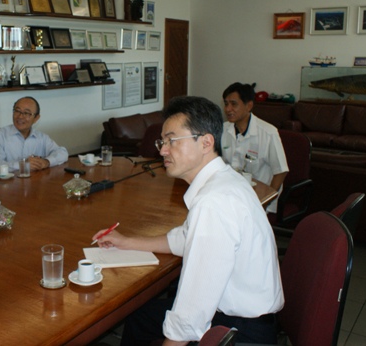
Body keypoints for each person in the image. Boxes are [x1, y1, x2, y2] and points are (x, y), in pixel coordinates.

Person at [93, 96, 284, 345]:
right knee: (141, 317)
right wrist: (126, 242)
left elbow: (192, 311)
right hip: (248, 318)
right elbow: (184, 239)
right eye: (162, 141)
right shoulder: (225, 180)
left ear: (206, 142)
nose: (162, 150)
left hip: (240, 332)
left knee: (154, 319)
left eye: (172, 140)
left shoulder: (213, 202)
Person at [221, 82, 288, 213]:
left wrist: (265, 202)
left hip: (258, 198)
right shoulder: (223, 129)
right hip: (231, 193)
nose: (228, 109)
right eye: (226, 104)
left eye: (233, 104)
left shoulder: (268, 133)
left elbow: (281, 172)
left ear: (249, 106)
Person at [0, 96, 68, 177]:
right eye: (17, 111)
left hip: (30, 181)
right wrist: (23, 164)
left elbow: (62, 153)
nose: (20, 116)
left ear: (36, 118)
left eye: (26, 113)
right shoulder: (0, 136)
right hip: (0, 183)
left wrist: (47, 162)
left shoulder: (41, 137)